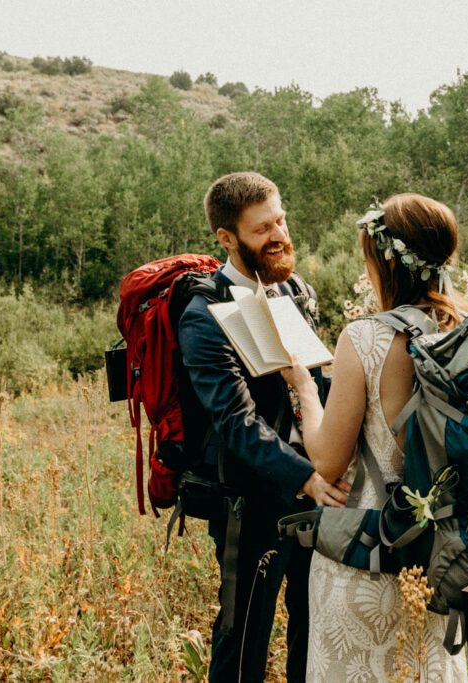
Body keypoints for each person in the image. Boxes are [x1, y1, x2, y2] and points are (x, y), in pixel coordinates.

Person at [281, 193, 468, 682]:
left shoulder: (365, 337)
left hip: (368, 556)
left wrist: (306, 387)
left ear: (385, 261)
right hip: (445, 558)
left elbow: (326, 460)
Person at [177, 172, 348, 682]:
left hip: (317, 490)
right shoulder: (203, 314)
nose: (279, 235)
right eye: (262, 229)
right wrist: (306, 478)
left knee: (314, 625)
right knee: (244, 634)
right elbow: (235, 419)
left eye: (281, 220)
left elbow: (312, 383)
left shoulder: (297, 291)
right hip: (249, 502)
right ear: (227, 238)